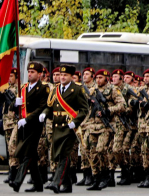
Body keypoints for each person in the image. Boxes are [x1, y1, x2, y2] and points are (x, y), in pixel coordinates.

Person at [43, 65, 90, 194]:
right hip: (57, 127)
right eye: (61, 75)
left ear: (71, 76)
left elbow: (84, 109)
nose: (62, 77)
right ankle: (67, 185)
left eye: (65, 75)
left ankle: (56, 182)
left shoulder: (77, 89)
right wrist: (44, 113)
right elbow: (49, 106)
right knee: (58, 156)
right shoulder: (56, 89)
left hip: (69, 128)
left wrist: (75, 122)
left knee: (64, 155)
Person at [9, 62, 51, 193]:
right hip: (23, 125)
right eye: (29, 71)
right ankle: (38, 184)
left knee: (27, 153)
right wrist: (15, 104)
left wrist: (27, 119)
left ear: (39, 74)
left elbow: (42, 107)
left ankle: (17, 181)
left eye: (33, 72)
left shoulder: (44, 88)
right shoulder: (23, 88)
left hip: (34, 125)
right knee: (31, 155)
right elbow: (12, 107)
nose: (30, 74)